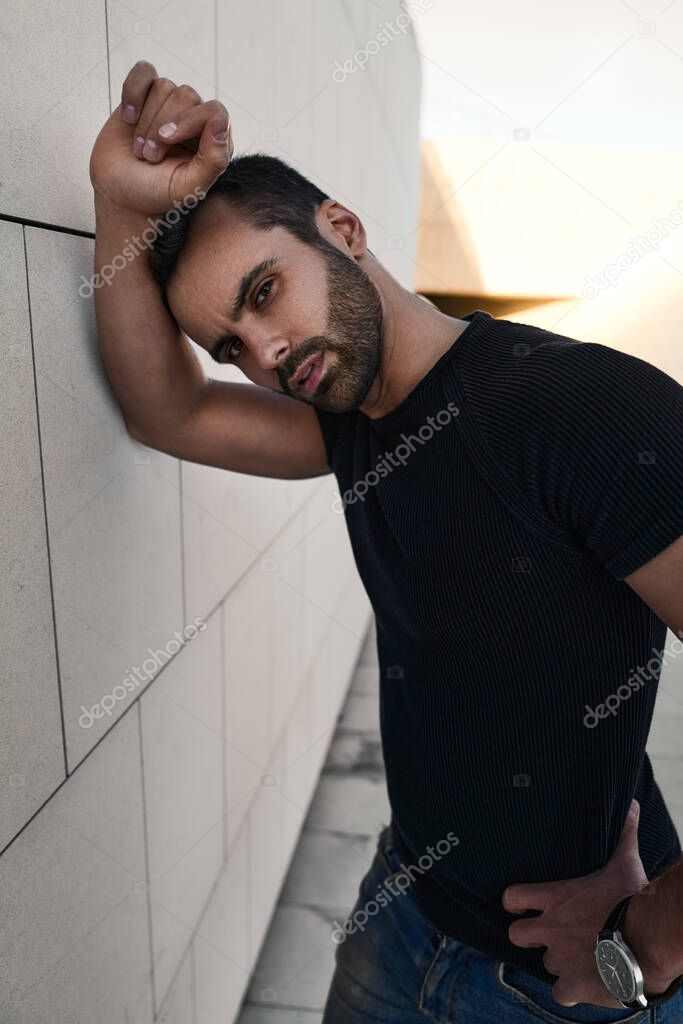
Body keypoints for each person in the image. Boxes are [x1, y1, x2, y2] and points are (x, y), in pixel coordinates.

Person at [89, 61, 683, 1023]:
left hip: (562, 977)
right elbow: (170, 410)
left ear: (345, 229)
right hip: (398, 916)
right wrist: (119, 203)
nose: (266, 351)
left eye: (266, 289)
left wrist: (656, 935)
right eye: (233, 342)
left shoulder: (585, 411)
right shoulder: (353, 423)